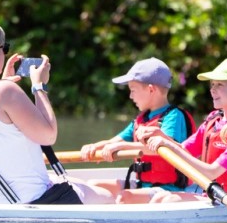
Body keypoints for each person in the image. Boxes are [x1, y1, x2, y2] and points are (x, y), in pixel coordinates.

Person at [0, 17, 115, 205]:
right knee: (108, 198)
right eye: (4, 48)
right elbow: (48, 135)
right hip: (27, 202)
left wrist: (0, 84)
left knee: (76, 182)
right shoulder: (5, 92)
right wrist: (39, 86)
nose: (5, 54)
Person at [143, 58, 227, 203]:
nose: (212, 89)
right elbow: (184, 149)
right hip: (211, 198)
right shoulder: (214, 121)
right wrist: (162, 137)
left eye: (220, 84)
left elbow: (212, 172)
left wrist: (169, 144)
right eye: (212, 84)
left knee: (168, 201)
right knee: (161, 197)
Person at [79, 57, 196, 203]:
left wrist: (121, 146)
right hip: (143, 184)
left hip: (169, 189)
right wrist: (94, 147)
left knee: (124, 197)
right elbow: (113, 142)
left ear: (151, 89)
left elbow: (163, 148)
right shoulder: (141, 119)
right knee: (92, 186)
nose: (130, 96)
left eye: (133, 90)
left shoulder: (173, 117)